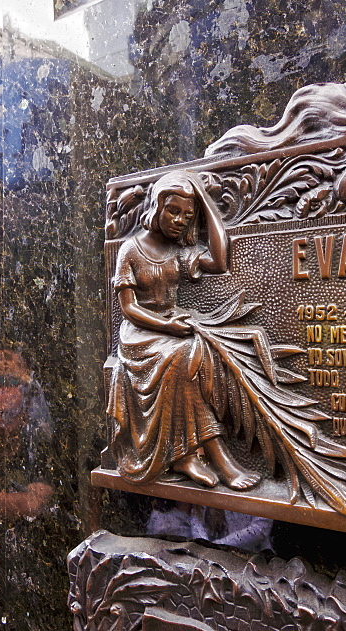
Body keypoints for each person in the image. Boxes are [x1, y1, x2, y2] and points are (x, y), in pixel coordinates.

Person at [107, 170, 261, 491]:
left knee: (205, 351)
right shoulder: (131, 250)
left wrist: (204, 201)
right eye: (173, 211)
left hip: (173, 325)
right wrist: (166, 325)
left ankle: (190, 454)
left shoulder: (179, 251)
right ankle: (214, 459)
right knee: (181, 355)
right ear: (157, 208)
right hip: (141, 332)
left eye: (186, 216)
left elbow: (219, 260)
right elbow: (128, 308)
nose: (179, 220)